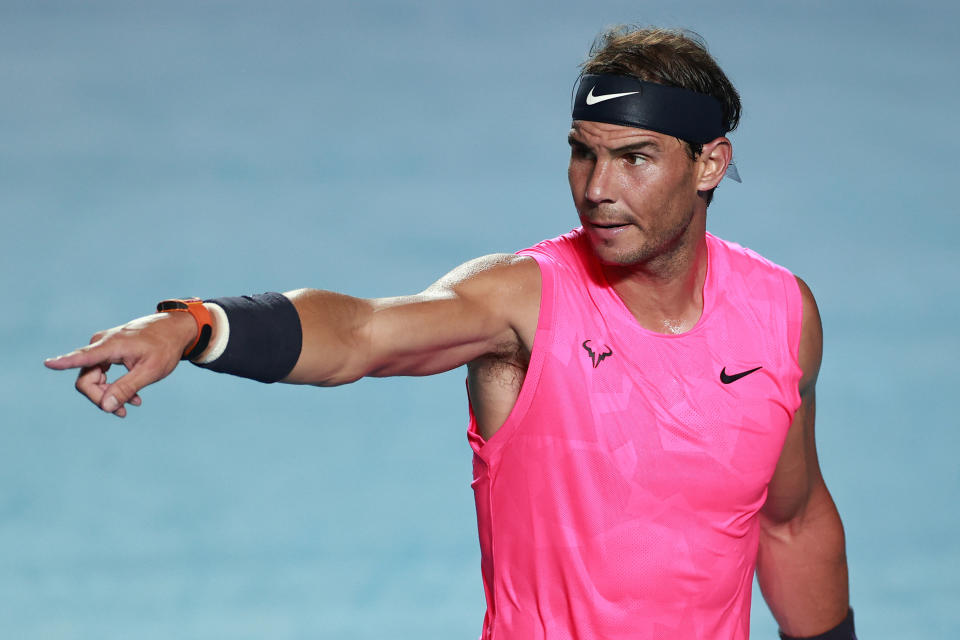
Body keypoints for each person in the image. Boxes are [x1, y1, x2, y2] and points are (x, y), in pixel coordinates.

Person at [45, 26, 854, 640]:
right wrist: (195, 324)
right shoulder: (521, 302)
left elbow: (790, 519)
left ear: (709, 164)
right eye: (582, 155)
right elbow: (361, 332)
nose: (597, 189)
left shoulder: (781, 314)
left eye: (634, 158)